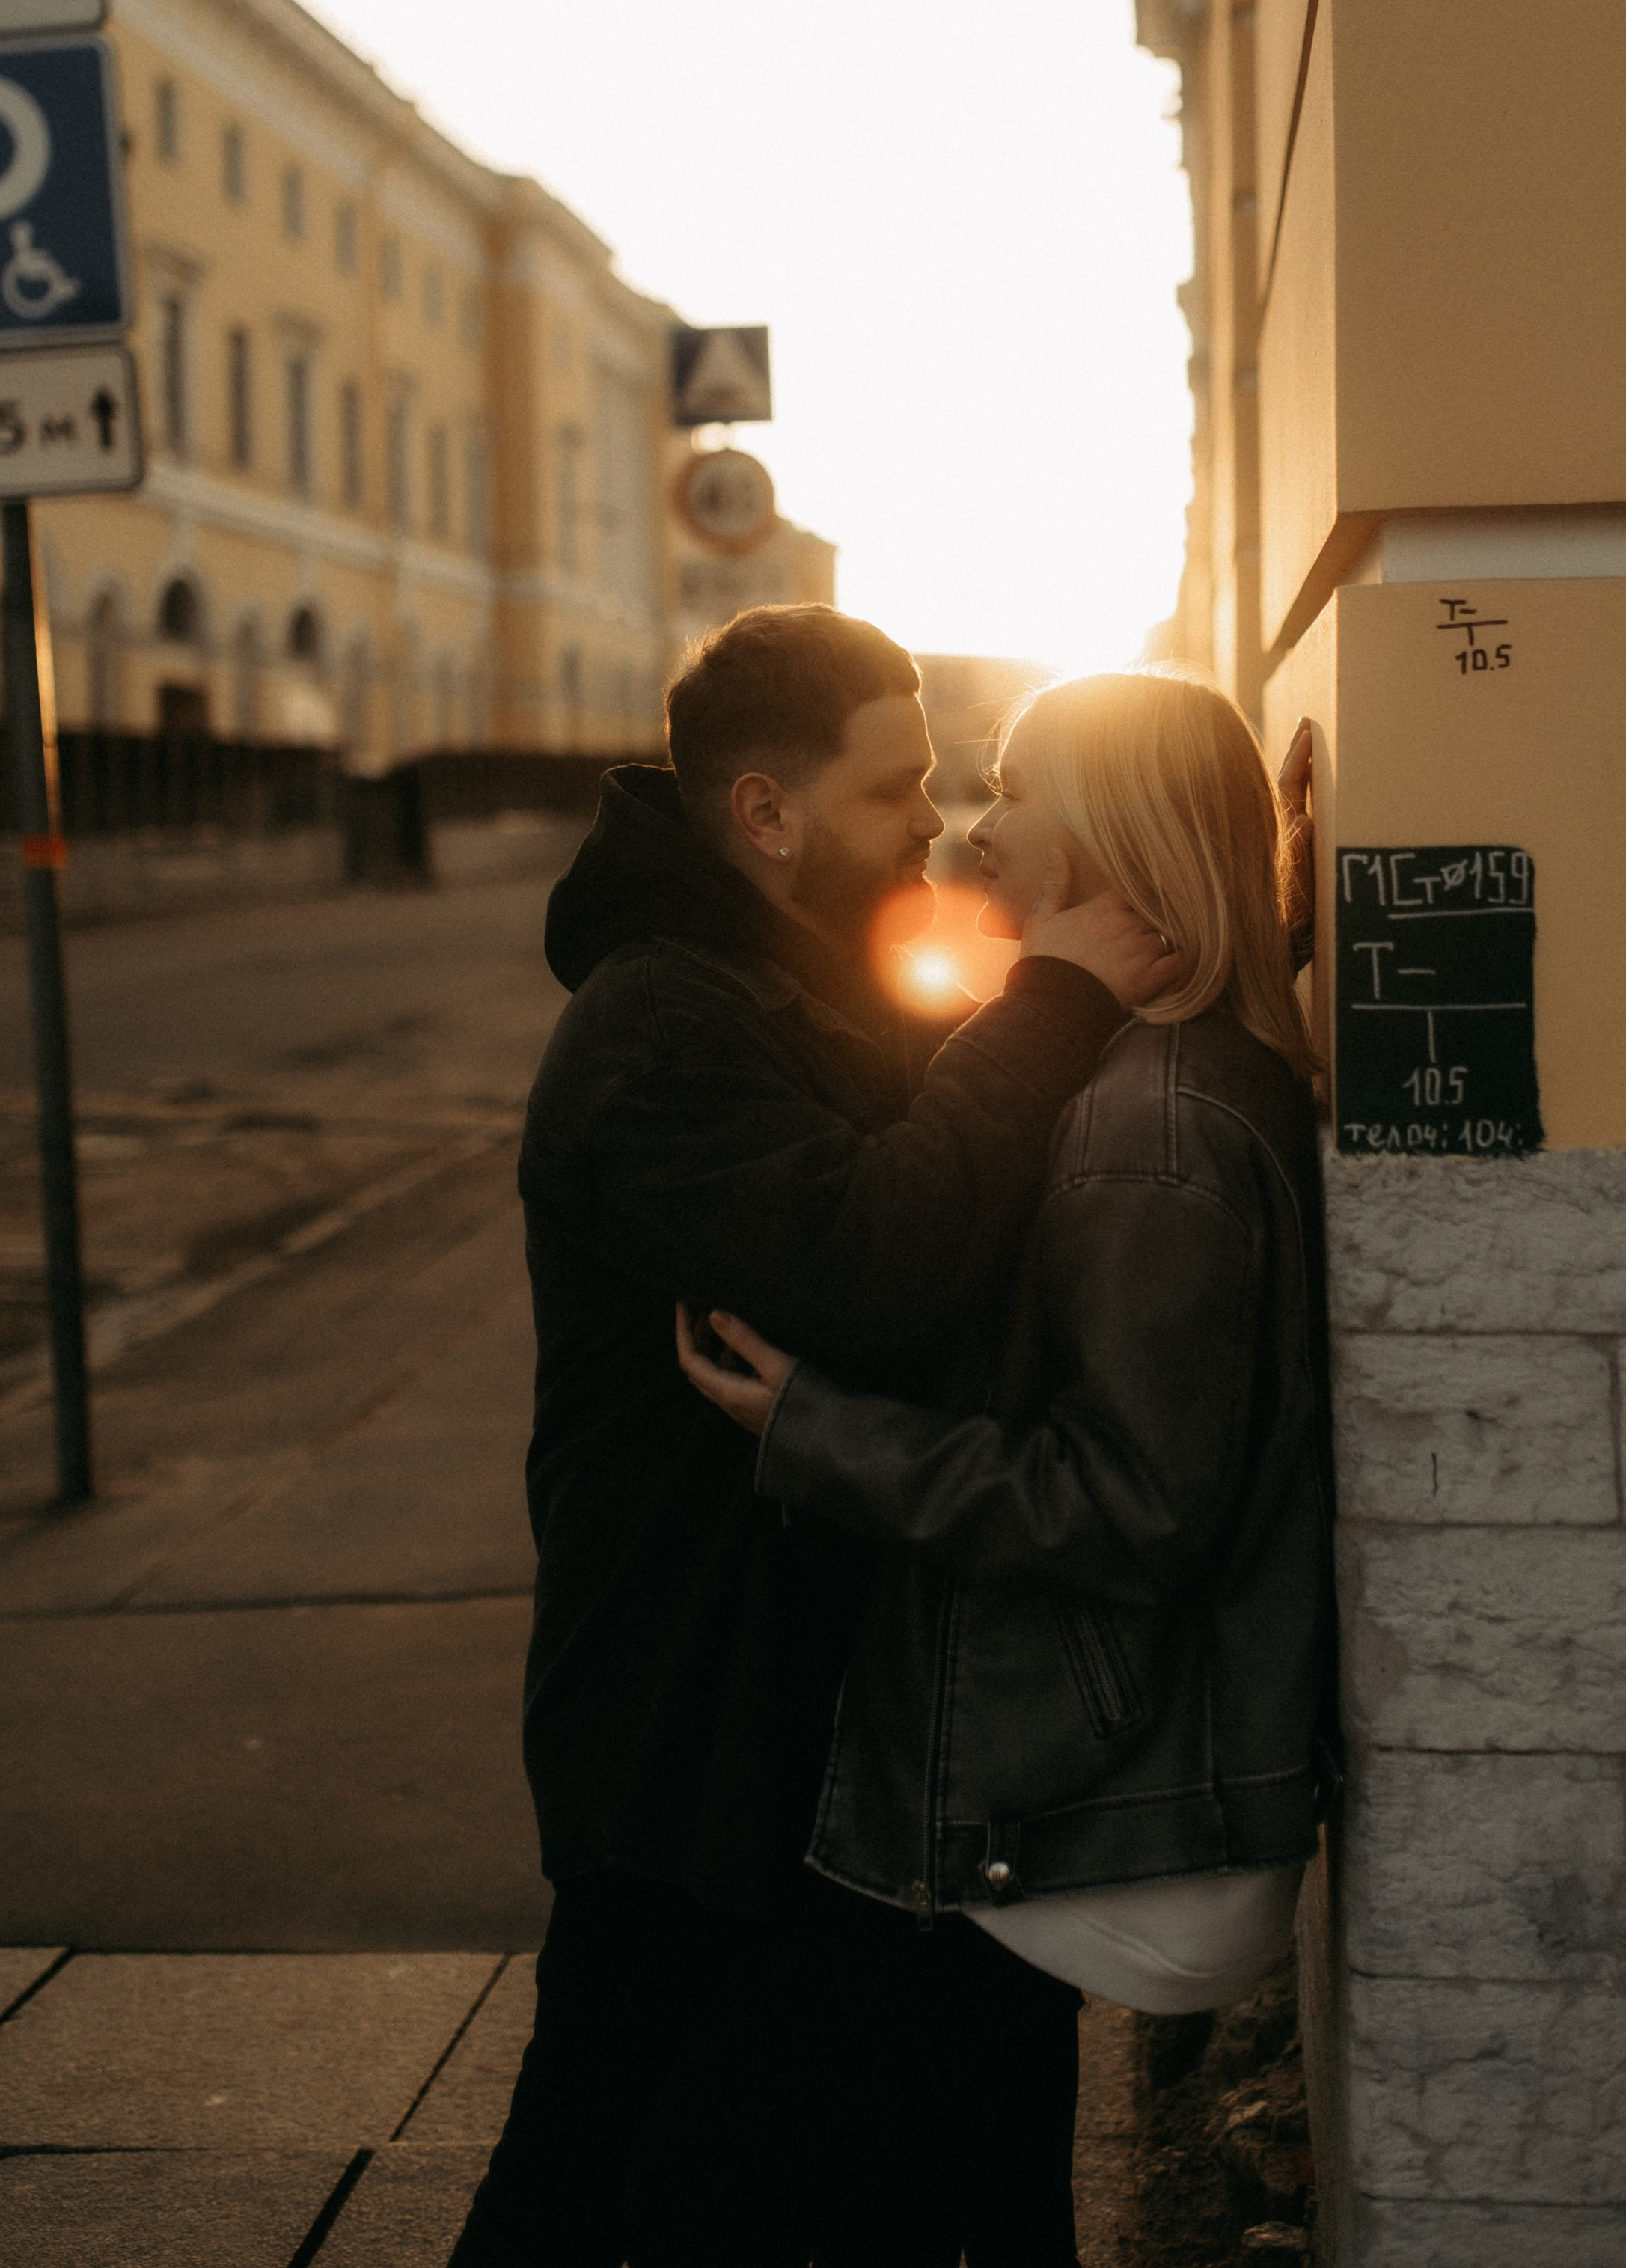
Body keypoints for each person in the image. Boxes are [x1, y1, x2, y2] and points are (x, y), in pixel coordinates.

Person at [449, 608, 1180, 2268]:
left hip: (809, 1699)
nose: (923, 820)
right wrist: (1054, 999)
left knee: (800, 2148)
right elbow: (872, 1259)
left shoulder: (792, 979)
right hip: (688, 1716)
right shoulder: (655, 1031)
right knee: (593, 2155)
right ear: (765, 811)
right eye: (891, 788)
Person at [679, 668, 1338, 2267]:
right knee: (976, 2186)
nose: (973, 832)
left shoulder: (1146, 1129)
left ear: (1113, 834)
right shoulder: (1184, 1071)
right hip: (1055, 1763)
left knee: (919, 2196)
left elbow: (1129, 1501)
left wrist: (816, 1431)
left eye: (1013, 790)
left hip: (1046, 1789)